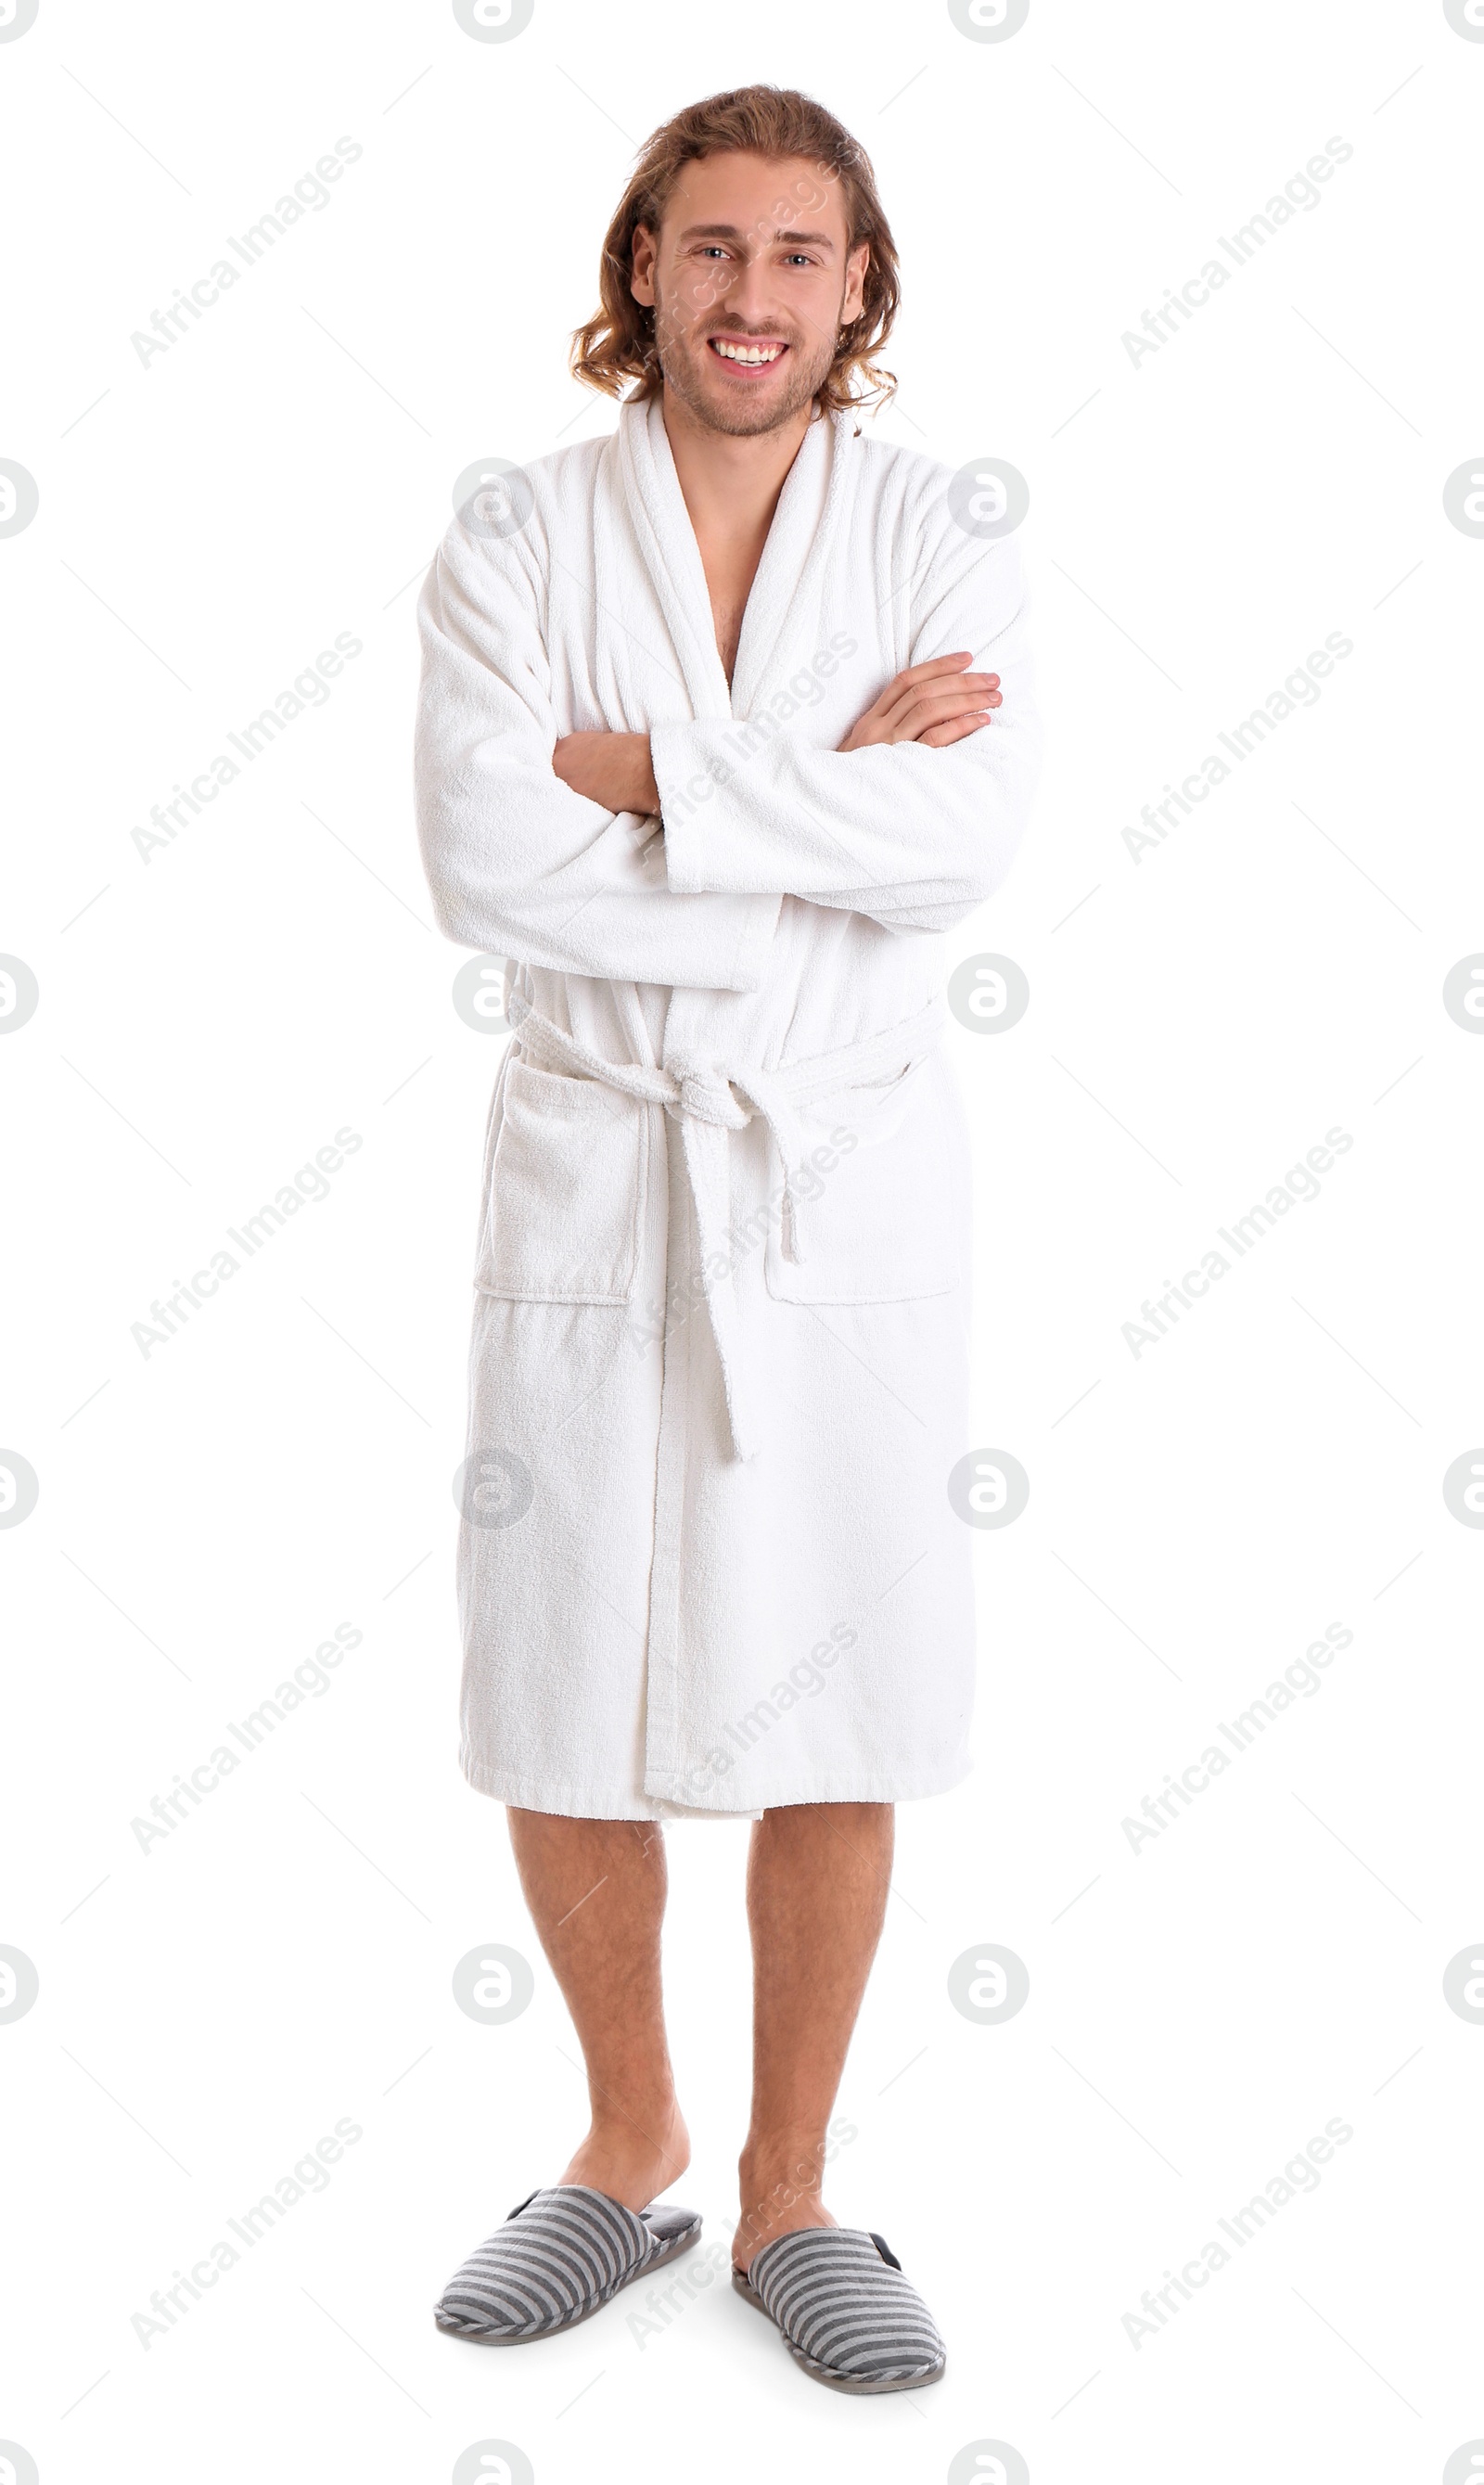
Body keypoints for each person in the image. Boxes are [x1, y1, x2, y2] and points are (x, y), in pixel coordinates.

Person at [414, 81, 1039, 2393]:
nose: (750, 296)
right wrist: (815, 812)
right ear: (642, 267)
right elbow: (487, 868)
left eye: (797, 255)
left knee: (839, 1673)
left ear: (857, 282)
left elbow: (958, 839)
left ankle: (790, 2191)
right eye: (710, 250)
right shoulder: (514, 539)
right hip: (605, 1156)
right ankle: (619, 2142)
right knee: (562, 1652)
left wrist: (647, 773)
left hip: (835, 1173)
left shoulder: (939, 536)